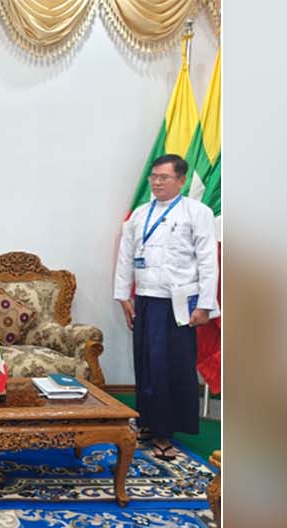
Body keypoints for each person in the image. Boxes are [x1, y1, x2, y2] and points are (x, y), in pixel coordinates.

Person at [113, 154, 218, 461]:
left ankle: (165, 432)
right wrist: (124, 297)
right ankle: (147, 421)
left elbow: (208, 261)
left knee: (168, 368)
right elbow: (125, 257)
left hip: (179, 304)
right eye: (154, 177)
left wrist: (206, 305)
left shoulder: (197, 213)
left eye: (164, 177)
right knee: (145, 365)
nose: (157, 182)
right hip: (145, 299)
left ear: (181, 180)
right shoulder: (140, 215)